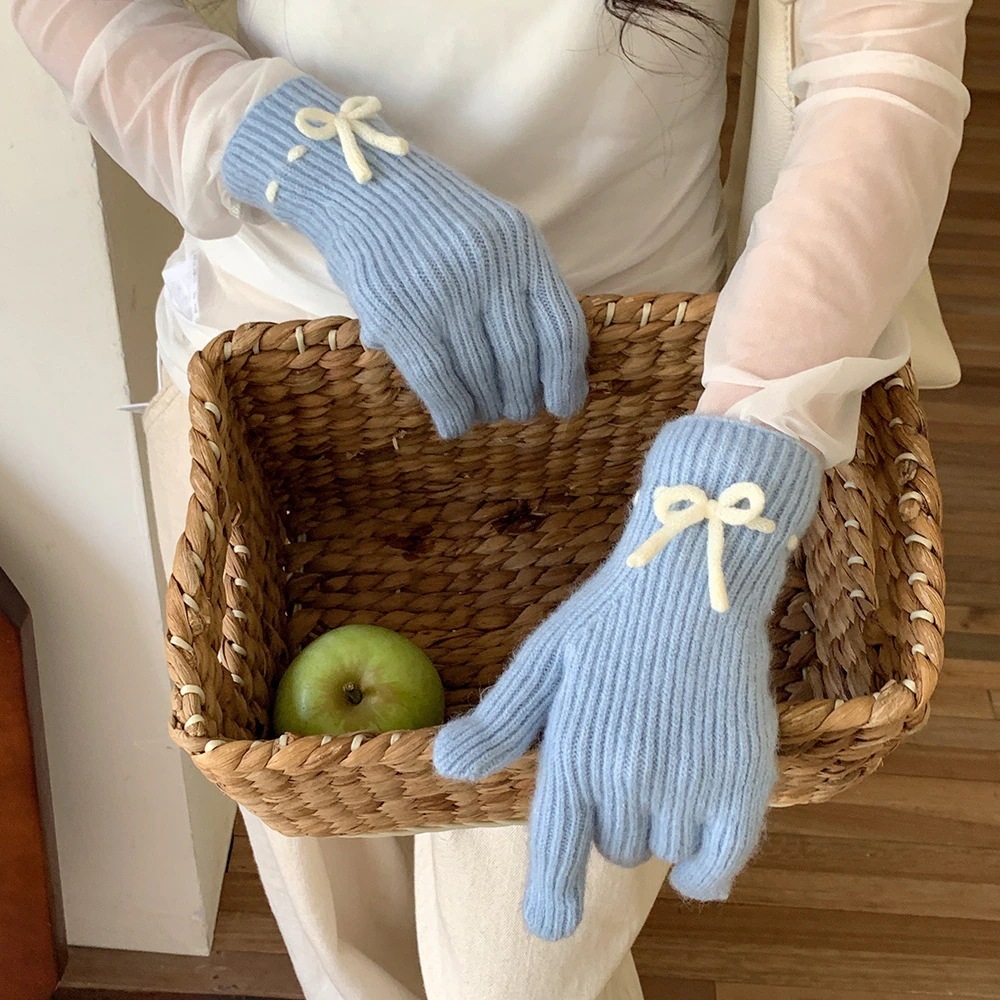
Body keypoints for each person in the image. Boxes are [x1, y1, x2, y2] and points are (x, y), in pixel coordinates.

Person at [11, 0, 971, 997]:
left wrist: (729, 481)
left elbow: (879, 59)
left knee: (522, 974)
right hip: (275, 395)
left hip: (640, 403)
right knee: (349, 944)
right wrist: (298, 150)